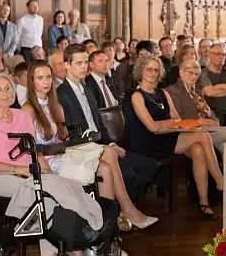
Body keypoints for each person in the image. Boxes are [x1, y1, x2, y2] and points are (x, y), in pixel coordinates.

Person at [0, 73, 105, 256]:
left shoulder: (22, 116)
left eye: (7, 88)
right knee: (43, 200)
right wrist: (20, 171)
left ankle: (72, 245)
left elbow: (35, 151)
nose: (4, 93)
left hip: (29, 175)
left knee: (64, 185)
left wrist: (44, 168)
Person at [22, 61, 157, 229]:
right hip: (49, 163)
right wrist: (56, 147)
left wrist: (62, 143)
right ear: (31, 81)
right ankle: (125, 211)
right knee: (106, 157)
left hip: (64, 154)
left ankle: (107, 227)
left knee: (106, 163)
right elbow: (30, 148)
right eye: (40, 78)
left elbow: (64, 138)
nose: (46, 82)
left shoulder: (56, 106)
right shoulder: (27, 110)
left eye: (49, 77)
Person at [56, 44, 160, 203]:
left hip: (101, 144)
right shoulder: (61, 94)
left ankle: (120, 210)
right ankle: (119, 211)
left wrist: (111, 143)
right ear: (66, 65)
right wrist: (102, 148)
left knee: (150, 165)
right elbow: (69, 134)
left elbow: (99, 124)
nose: (84, 67)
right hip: (83, 150)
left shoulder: (87, 89)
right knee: (129, 173)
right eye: (79, 63)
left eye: (85, 62)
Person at [128, 56, 224, 221]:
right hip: (149, 142)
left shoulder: (163, 93)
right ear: (141, 71)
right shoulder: (137, 96)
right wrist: (169, 122)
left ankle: (204, 202)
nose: (152, 73)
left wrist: (168, 123)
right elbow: (151, 127)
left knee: (198, 149)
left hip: (168, 137)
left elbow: (177, 120)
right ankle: (220, 180)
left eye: (156, 70)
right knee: (202, 134)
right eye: (149, 69)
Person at [165, 59, 226, 154]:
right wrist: (200, 122)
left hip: (207, 128)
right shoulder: (172, 91)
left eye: (196, 74)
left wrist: (214, 121)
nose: (193, 76)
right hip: (190, 132)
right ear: (181, 72)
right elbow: (179, 118)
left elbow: (209, 112)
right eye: (190, 72)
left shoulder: (197, 91)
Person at [18, 0, 45, 64]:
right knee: (29, 69)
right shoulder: (22, 20)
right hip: (27, 50)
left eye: (37, 6)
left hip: (39, 50)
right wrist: (19, 50)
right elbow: (17, 37)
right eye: (33, 6)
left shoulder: (41, 19)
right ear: (27, 7)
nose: (36, 8)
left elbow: (40, 35)